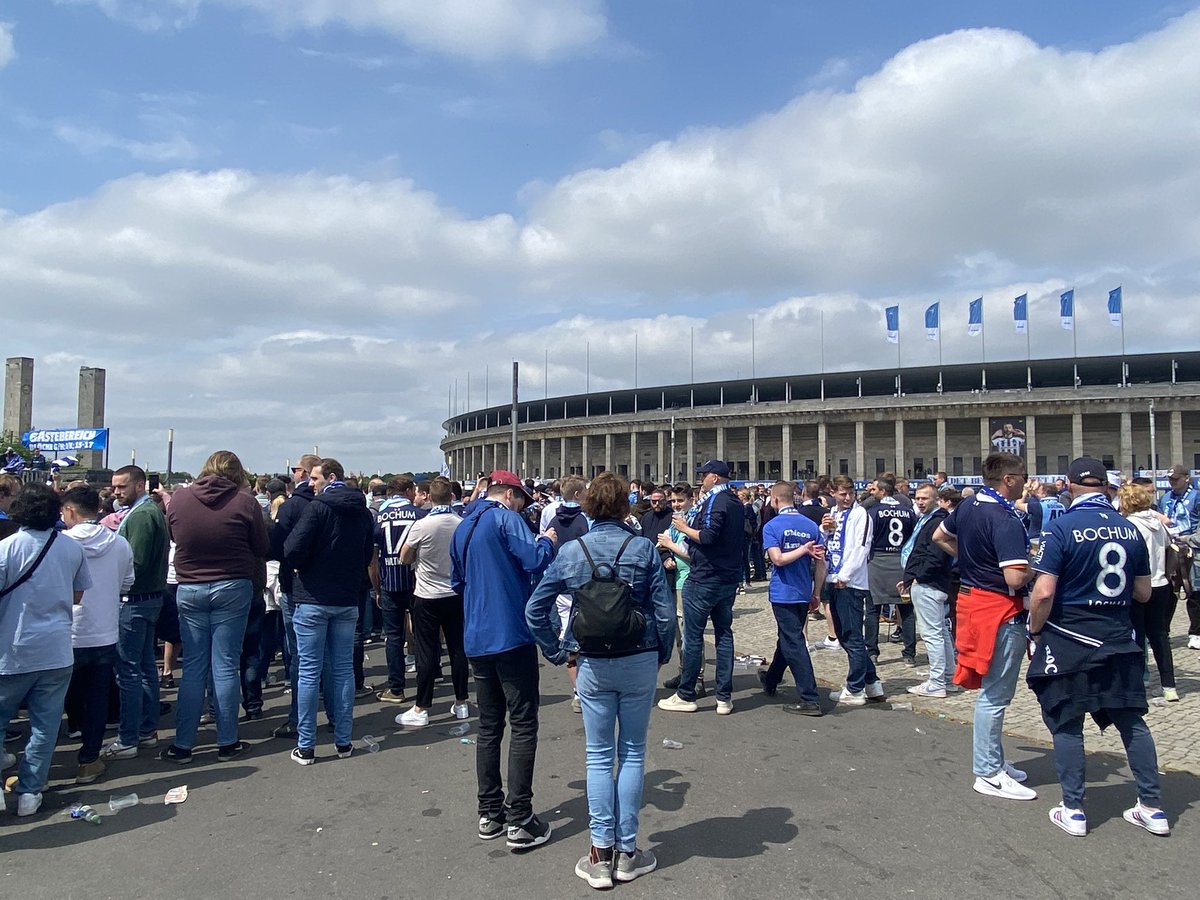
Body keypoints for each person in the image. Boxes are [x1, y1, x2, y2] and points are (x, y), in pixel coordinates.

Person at [525, 472, 675, 889]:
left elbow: (535, 609)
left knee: (597, 755)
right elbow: (664, 612)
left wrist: (557, 651)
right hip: (638, 657)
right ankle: (628, 853)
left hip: (590, 660)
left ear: (588, 507)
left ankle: (599, 852)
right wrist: (662, 652)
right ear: (626, 507)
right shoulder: (643, 548)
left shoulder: (573, 551)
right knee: (631, 753)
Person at [1027, 457, 1167, 837]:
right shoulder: (1130, 529)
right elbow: (1143, 592)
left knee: (1068, 722)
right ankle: (1152, 806)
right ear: (1105, 487)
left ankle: (1073, 809)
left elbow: (1043, 592)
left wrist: (1034, 631)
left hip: (1070, 637)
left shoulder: (1061, 528)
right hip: (1118, 638)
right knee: (1131, 721)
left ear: (1070, 486)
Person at [450, 470, 557, 851]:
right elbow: (532, 560)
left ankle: (489, 811)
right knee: (524, 722)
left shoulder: (464, 525)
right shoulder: (505, 518)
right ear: (510, 494)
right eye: (522, 499)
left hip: (476, 636)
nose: (523, 505)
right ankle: (521, 817)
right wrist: (546, 540)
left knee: (489, 726)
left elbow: (456, 580)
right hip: (510, 631)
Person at [933, 452, 1035, 801]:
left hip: (974, 598)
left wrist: (972, 558)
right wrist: (1039, 566)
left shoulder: (969, 504)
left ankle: (994, 761)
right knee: (997, 694)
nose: (1025, 480)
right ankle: (988, 771)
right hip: (1000, 607)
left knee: (993, 691)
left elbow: (939, 536)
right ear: (1008, 479)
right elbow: (1015, 575)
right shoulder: (1006, 518)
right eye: (1022, 474)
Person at [159, 450, 269, 763]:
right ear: (237, 473)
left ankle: (183, 744)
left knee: (193, 666)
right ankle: (227, 741)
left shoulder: (179, 499)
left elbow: (174, 535)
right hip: (232, 584)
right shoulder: (245, 502)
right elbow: (261, 547)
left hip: (190, 585)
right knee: (225, 665)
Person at [0, 483, 92, 816]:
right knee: (45, 725)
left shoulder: (6, 548)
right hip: (56, 649)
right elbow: (79, 595)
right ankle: (30, 792)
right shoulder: (70, 549)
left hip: (11, 649)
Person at [284, 458, 376, 765]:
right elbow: (366, 554)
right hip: (346, 598)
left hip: (312, 597)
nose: (311, 483)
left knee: (309, 671)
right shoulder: (362, 513)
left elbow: (292, 549)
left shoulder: (318, 508)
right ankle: (343, 740)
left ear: (330, 477)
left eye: (314, 477)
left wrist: (305, 565)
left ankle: (306, 745)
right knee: (342, 670)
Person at [658, 460, 743, 716]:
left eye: (704, 475)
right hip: (728, 577)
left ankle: (686, 694)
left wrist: (684, 529)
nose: (702, 480)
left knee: (693, 637)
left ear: (715, 478)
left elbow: (708, 537)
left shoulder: (716, 501)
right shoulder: (736, 501)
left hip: (705, 576)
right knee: (723, 634)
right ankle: (724, 697)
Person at [61, 485, 134, 785]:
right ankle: (89, 759)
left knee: (56, 697)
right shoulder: (119, 544)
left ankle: (43, 762)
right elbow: (128, 582)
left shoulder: (60, 544)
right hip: (105, 628)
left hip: (68, 630)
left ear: (70, 511)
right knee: (99, 695)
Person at [102, 465, 169, 761]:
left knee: (129, 671)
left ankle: (129, 737)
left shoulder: (142, 515)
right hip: (147, 598)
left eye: (122, 487)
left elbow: (135, 563)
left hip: (135, 600)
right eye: (115, 487)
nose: (117, 492)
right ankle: (146, 730)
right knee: (143, 669)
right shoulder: (146, 511)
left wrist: (110, 583)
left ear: (140, 485)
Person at [396, 478, 469, 727]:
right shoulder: (461, 524)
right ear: (451, 497)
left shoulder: (421, 525)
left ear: (428, 497)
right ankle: (461, 702)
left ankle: (422, 706)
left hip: (427, 593)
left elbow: (404, 556)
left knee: (427, 651)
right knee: (458, 649)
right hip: (454, 593)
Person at [757, 481, 826, 715]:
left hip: (784, 591)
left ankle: (809, 697)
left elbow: (777, 559)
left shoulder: (772, 526)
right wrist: (816, 592)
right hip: (803, 589)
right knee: (786, 638)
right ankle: (772, 679)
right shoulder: (811, 526)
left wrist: (801, 550)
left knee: (794, 641)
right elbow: (821, 563)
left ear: (775, 500)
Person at [268, 453, 321, 739]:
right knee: (333, 660)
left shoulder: (292, 506)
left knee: (301, 658)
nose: (295, 473)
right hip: (333, 589)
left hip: (295, 585)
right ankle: (339, 720)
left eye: (298, 469)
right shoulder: (344, 505)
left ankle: (299, 720)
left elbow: (277, 548)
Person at [822, 475, 885, 706]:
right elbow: (829, 542)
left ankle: (855, 687)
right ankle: (872, 682)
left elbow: (861, 548)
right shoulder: (834, 513)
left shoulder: (861, 515)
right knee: (844, 633)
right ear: (834, 493)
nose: (847, 497)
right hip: (833, 576)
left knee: (852, 636)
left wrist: (845, 576)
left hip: (850, 582)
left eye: (850, 493)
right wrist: (825, 529)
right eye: (842, 493)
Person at [370, 476, 425, 704]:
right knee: (423, 634)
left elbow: (372, 560)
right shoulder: (420, 515)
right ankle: (426, 684)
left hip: (390, 581)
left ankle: (396, 687)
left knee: (393, 637)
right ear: (409, 490)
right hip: (417, 582)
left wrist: (377, 588)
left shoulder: (379, 517)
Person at [1120, 483, 1178, 701]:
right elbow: (1169, 548)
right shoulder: (1157, 524)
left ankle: (1137, 682)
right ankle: (1169, 685)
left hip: (1138, 586)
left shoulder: (1128, 525)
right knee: (1160, 636)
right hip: (1161, 583)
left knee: (1136, 635)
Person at [900, 483, 957, 698]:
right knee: (941, 632)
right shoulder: (928, 520)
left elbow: (934, 556)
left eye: (925, 498)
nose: (920, 502)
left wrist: (917, 577)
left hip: (929, 584)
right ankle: (948, 678)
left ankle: (937, 682)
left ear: (936, 499)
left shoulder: (937, 521)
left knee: (932, 634)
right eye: (918, 498)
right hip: (929, 582)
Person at [863, 475, 917, 666]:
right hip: (902, 562)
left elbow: (866, 540)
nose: (872, 492)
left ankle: (871, 651)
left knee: (872, 610)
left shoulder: (873, 512)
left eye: (875, 490)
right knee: (907, 609)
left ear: (883, 491)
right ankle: (909, 653)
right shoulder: (909, 512)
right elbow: (914, 539)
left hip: (878, 561)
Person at [1157, 464, 1200, 649]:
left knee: (1195, 591)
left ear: (1186, 478)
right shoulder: (1165, 498)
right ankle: (1162, 630)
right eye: (1169, 479)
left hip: (1193, 548)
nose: (1172, 482)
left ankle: (1196, 632)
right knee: (1169, 590)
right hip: (1171, 547)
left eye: (1175, 479)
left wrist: (1191, 539)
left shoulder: (1197, 496)